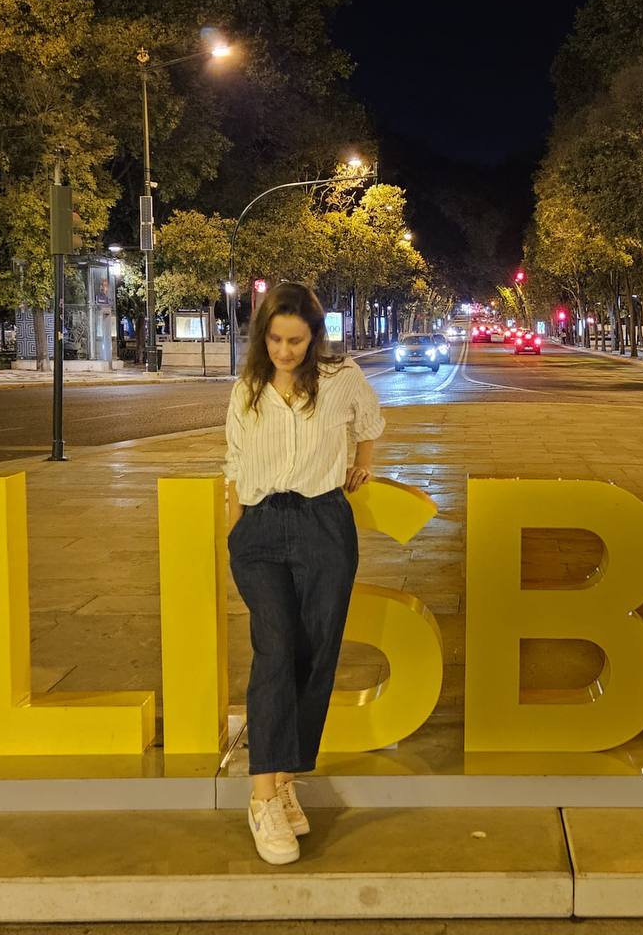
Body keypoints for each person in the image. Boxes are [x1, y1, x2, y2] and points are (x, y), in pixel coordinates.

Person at [222, 281, 384, 865]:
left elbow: (370, 422)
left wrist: (361, 466)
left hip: (323, 525)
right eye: (274, 339)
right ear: (262, 336)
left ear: (315, 336)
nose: (284, 351)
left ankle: (286, 778)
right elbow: (235, 462)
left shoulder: (342, 381)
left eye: (295, 340)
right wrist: (236, 528)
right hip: (261, 528)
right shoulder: (247, 389)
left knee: (314, 653)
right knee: (275, 646)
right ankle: (263, 793)